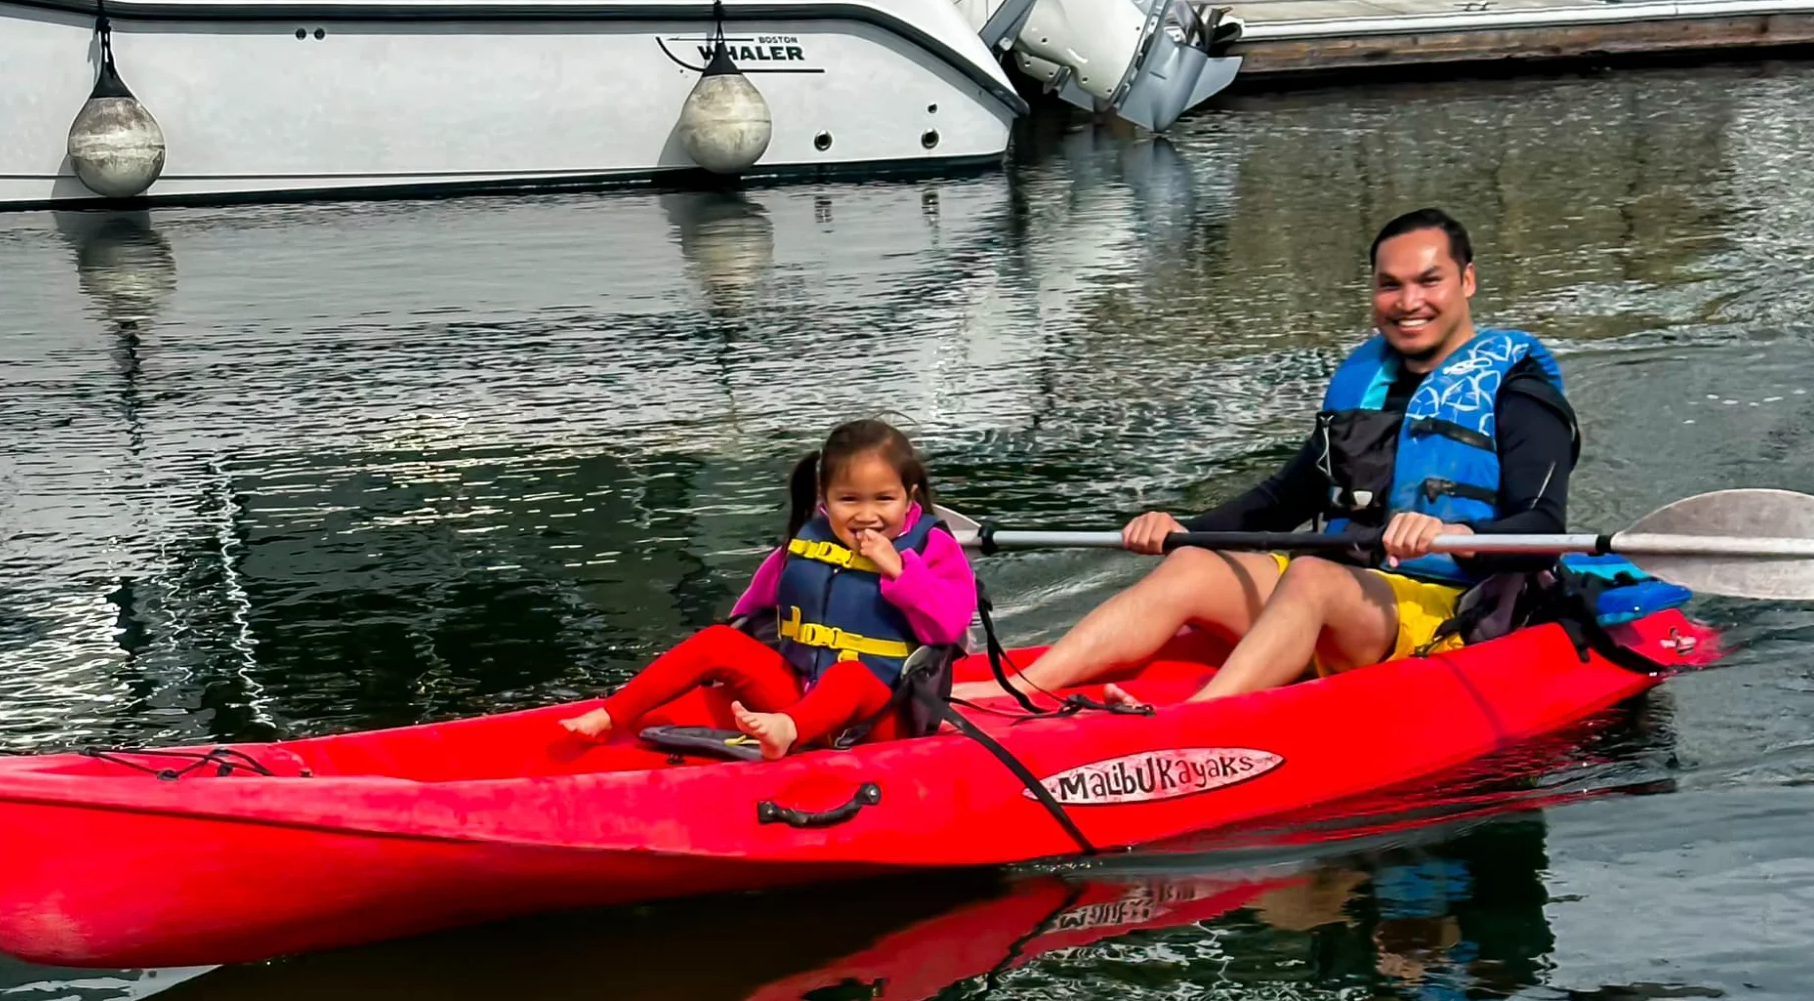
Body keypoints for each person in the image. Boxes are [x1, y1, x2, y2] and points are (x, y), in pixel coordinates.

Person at [969, 208, 1579, 704]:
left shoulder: (1520, 396)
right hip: (1347, 596)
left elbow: (1543, 526)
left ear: (1466, 281)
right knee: (1197, 566)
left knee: (1313, 574)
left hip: (1446, 614)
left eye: (1428, 281)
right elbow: (1285, 498)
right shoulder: (1366, 385)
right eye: (1390, 285)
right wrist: (1186, 532)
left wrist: (1458, 530)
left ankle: (1192, 725)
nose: (1408, 301)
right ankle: (1016, 692)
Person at [560, 419, 977, 759]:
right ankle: (613, 714)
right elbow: (750, 613)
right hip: (798, 697)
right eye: (849, 499)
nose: (866, 515)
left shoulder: (931, 548)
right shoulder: (807, 542)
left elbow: (948, 626)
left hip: (880, 717)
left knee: (850, 674)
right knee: (718, 641)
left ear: (909, 497)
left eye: (883, 499)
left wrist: (900, 571)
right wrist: (724, 671)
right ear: (825, 499)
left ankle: (787, 732)